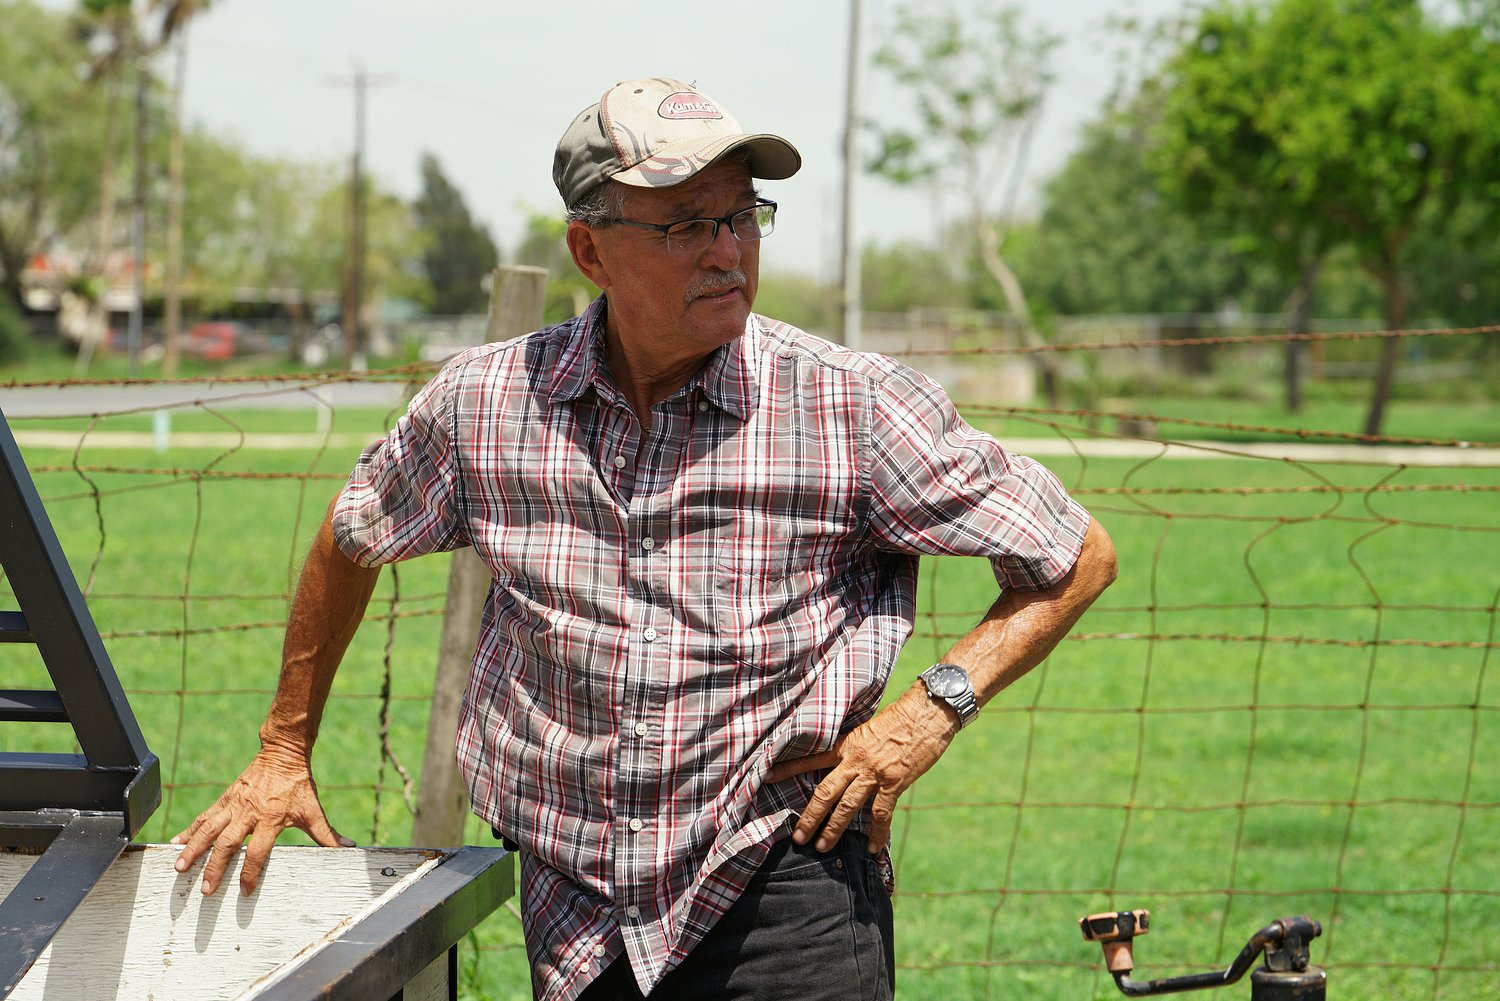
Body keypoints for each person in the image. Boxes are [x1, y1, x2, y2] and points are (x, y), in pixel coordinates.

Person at [170, 77, 1117, 1001]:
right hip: (573, 906)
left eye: (743, 217)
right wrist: (281, 748)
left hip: (783, 877)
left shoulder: (848, 404)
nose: (727, 252)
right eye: (684, 226)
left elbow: (1073, 555)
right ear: (591, 250)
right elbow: (351, 536)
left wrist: (927, 714)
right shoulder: (489, 403)